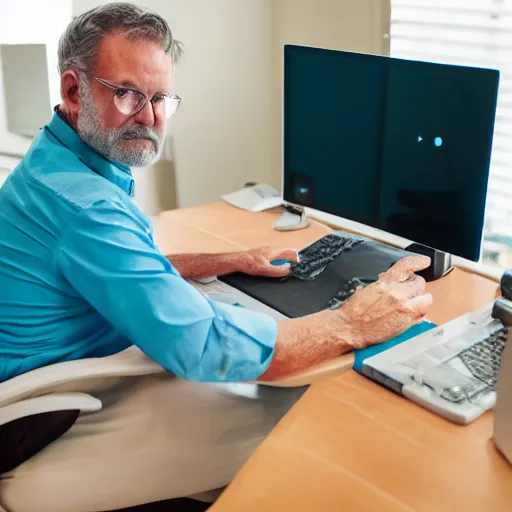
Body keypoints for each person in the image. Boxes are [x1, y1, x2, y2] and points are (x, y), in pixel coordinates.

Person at [0, 3, 432, 511]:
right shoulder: (84, 207)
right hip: (40, 416)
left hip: (57, 376)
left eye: (161, 98)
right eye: (128, 94)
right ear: (74, 91)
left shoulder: (61, 164)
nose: (151, 117)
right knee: (317, 418)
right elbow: (202, 345)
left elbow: (118, 268)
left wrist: (226, 260)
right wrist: (350, 324)